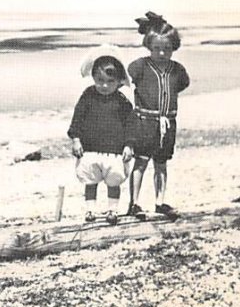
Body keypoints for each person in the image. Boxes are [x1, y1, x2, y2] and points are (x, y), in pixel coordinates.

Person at [126, 12, 190, 219]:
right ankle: (134, 203)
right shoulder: (140, 66)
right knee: (141, 162)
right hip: (145, 123)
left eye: (167, 49)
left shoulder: (177, 70)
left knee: (161, 164)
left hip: (167, 124)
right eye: (156, 49)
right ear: (148, 46)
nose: (162, 53)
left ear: (174, 48)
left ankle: (160, 202)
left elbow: (181, 86)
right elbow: (126, 78)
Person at [68, 46, 134, 225]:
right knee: (90, 180)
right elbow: (78, 118)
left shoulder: (122, 102)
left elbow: (130, 125)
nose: (104, 86)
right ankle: (90, 210)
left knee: (114, 181)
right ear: (93, 78)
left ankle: (113, 210)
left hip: (114, 150)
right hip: (90, 149)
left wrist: (129, 145)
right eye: (99, 80)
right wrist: (76, 139)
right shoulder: (88, 95)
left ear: (119, 82)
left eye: (109, 81)